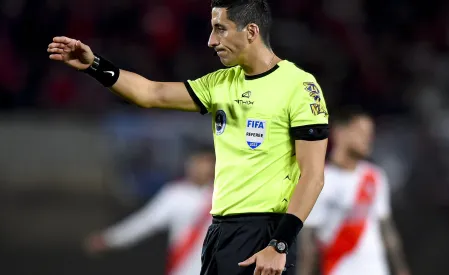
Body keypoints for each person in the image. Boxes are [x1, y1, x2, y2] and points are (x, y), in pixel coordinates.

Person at [47, 1, 329, 274]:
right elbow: (151, 93)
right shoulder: (220, 83)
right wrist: (94, 65)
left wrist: (279, 244)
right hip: (220, 231)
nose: (211, 40)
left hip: (265, 232)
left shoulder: (299, 87)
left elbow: (313, 175)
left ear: (251, 31)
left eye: (220, 29)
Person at [296, 108, 411, 275]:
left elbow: (387, 230)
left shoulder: (375, 176)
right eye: (361, 132)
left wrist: (401, 270)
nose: (368, 138)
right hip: (339, 269)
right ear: (340, 133)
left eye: (370, 133)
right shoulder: (319, 181)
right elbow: (308, 243)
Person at [84, 148, 215, 275]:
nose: (202, 168)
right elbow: (145, 222)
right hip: (183, 268)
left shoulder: (223, 194)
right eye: (198, 162)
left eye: (208, 163)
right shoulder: (176, 194)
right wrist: (109, 239)